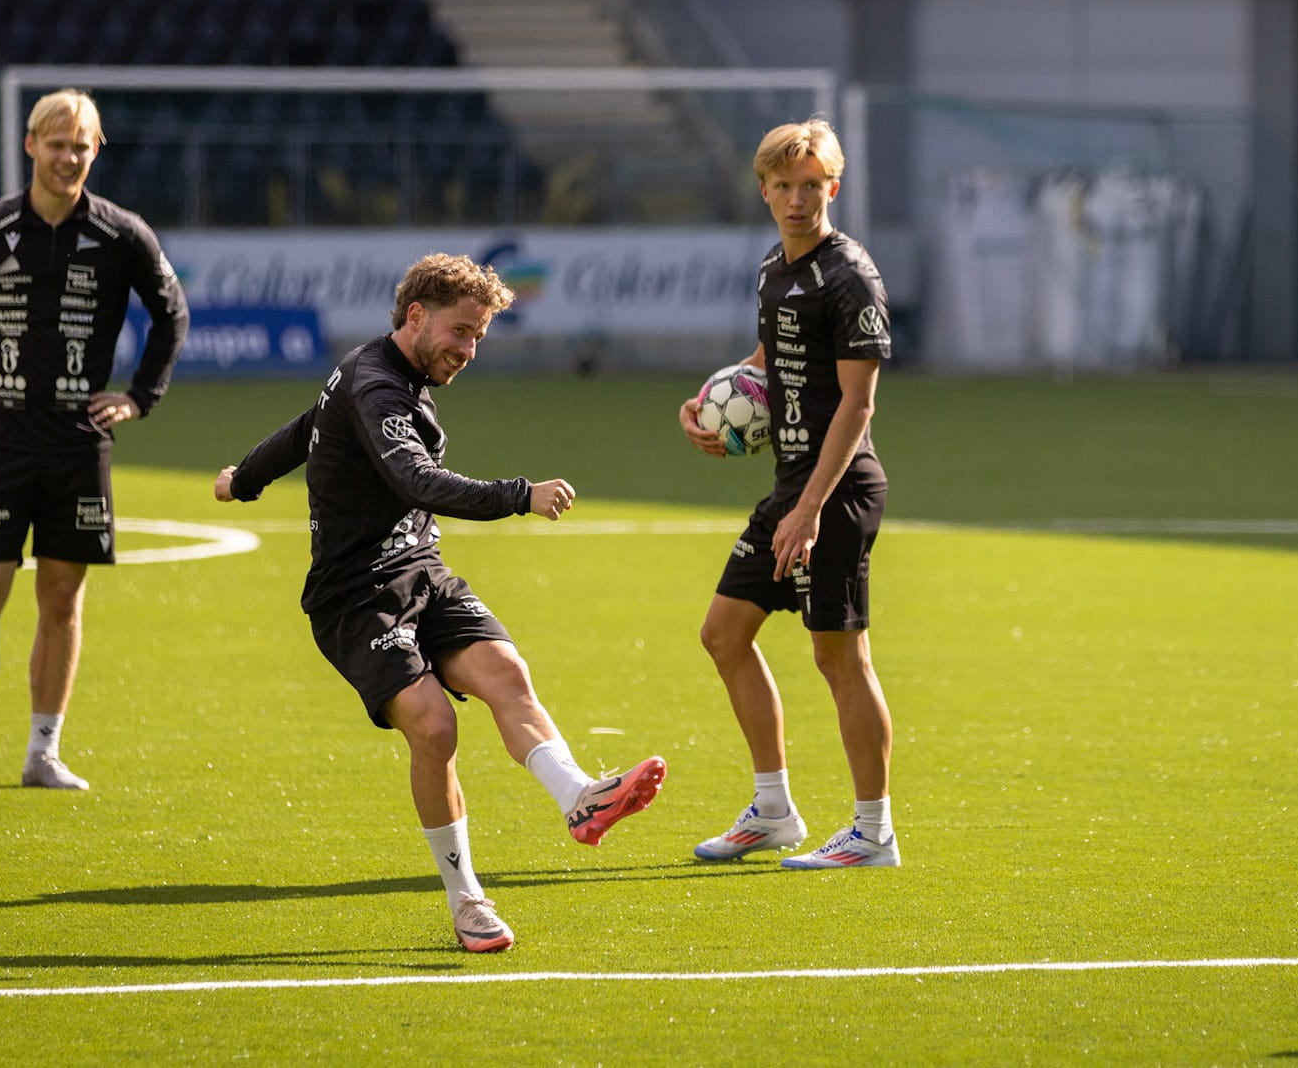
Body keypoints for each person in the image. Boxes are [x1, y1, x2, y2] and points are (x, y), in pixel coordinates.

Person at [213, 253, 665, 954]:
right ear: (416, 316)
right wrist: (521, 495)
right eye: (460, 332)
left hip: (422, 571)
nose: (468, 350)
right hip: (355, 596)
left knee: (507, 675)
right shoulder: (376, 384)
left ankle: (581, 797)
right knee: (433, 726)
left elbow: (307, 427)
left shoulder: (385, 378)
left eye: (479, 337)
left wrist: (243, 479)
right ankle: (467, 902)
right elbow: (417, 480)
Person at [0, 88, 189, 794]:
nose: (68, 157)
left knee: (62, 597)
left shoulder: (123, 234)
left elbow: (172, 312)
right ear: (30, 144)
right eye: (56, 144)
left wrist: (140, 397)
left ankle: (43, 752)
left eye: (81, 146)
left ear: (97, 151)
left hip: (78, 445)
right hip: (1, 441)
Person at [679, 118, 899, 869]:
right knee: (723, 633)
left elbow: (858, 405)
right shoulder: (774, 266)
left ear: (833, 187)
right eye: (784, 186)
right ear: (765, 190)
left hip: (836, 491)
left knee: (840, 658)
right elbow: (767, 361)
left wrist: (809, 512)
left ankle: (873, 832)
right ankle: (773, 811)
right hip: (791, 488)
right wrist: (705, 404)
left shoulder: (851, 276)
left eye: (812, 186)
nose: (798, 199)